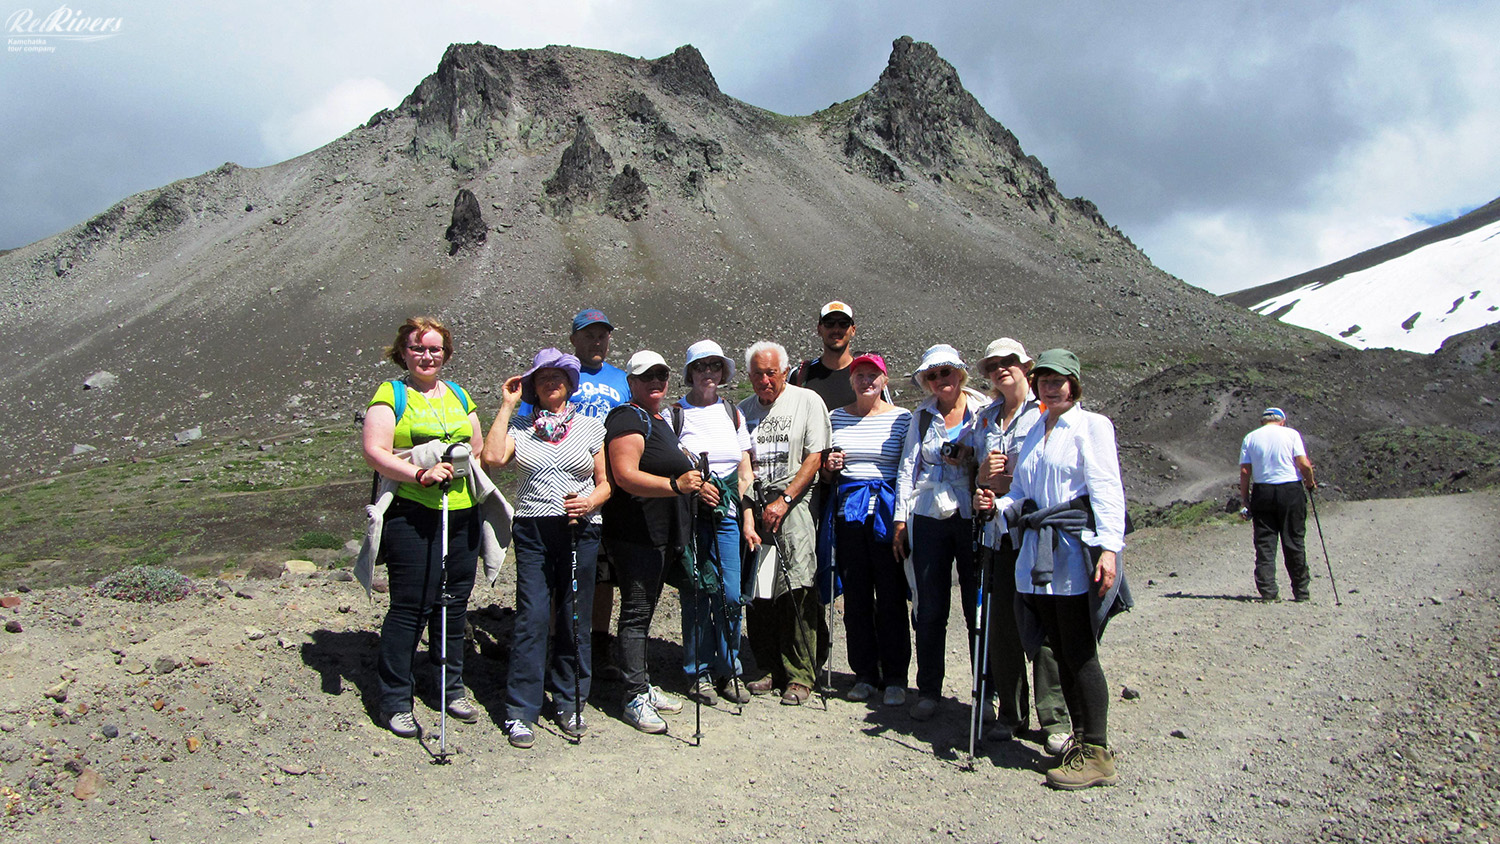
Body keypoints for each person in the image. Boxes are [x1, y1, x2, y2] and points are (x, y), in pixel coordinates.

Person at [993, 349, 1131, 790]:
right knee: (1055, 647)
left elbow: (1107, 488)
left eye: (1060, 379)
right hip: (1038, 554)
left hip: (1073, 552)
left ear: (1075, 383)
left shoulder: (1092, 426)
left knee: (1079, 649)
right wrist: (997, 508)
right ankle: (1083, 742)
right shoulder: (1036, 429)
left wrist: (1110, 549)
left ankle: (1096, 750)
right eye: (1045, 379)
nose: (1051, 386)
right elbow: (1023, 493)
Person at [361, 317, 486, 738]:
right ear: (403, 352)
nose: (426, 356)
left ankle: (448, 687)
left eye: (434, 349)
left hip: (462, 509)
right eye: (418, 348)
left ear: (446, 354)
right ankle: (395, 699)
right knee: (410, 607)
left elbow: (478, 450)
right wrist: (420, 472)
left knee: (453, 603)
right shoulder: (390, 394)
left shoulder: (459, 394)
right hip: (413, 511)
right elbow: (375, 452)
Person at [482, 348, 609, 748]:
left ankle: (571, 701)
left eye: (558, 376)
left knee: (575, 615)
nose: (551, 382)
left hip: (580, 528)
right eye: (542, 378)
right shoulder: (520, 426)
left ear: (571, 384)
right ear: (533, 387)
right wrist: (507, 405)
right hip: (533, 529)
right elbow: (491, 458)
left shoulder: (592, 426)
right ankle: (522, 710)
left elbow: (606, 482)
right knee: (533, 617)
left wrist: (590, 501)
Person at [969, 338, 1070, 752]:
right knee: (1001, 627)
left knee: (1044, 624)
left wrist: (1005, 478)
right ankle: (1012, 713)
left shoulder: (1046, 412)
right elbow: (976, 476)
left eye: (1008, 362)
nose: (1000, 370)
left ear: (1025, 366)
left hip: (1034, 533)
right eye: (993, 365)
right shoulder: (984, 418)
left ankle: (1055, 718)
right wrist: (980, 479)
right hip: (995, 533)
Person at [602, 350, 710, 733]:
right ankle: (633, 695)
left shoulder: (659, 420)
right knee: (635, 612)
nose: (656, 381)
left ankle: (642, 686)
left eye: (662, 375)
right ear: (630, 382)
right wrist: (674, 485)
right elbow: (625, 474)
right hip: (636, 534)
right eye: (647, 376)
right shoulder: (628, 417)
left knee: (643, 612)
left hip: (661, 534)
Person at [893, 344, 991, 721]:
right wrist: (901, 521)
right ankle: (929, 688)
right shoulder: (922, 418)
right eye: (932, 376)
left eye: (945, 373)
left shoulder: (984, 412)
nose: (939, 381)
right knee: (930, 606)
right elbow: (907, 470)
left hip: (972, 513)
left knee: (976, 607)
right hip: (930, 513)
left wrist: (970, 458)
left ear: (960, 374)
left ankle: (985, 691)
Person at [739, 341, 832, 706]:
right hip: (756, 502)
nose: (765, 380)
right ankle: (766, 666)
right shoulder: (743, 411)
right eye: (758, 374)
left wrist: (786, 500)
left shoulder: (807, 401)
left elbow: (814, 457)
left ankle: (800, 674)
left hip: (795, 500)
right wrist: (750, 507)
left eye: (771, 373)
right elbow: (742, 463)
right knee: (759, 588)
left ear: (784, 371)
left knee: (798, 585)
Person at [670, 340, 758, 706]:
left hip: (728, 516)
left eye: (715, 366)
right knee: (696, 592)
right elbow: (667, 463)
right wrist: (697, 486)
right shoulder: (674, 415)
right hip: (692, 516)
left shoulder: (731, 413)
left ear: (723, 373)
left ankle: (728, 666)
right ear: (690, 372)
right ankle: (699, 672)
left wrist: (747, 516)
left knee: (732, 593)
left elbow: (744, 468)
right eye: (701, 366)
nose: (709, 372)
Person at [821, 353, 912, 707]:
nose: (866, 381)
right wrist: (830, 467)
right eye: (859, 375)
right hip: (849, 515)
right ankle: (863, 674)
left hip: (887, 515)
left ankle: (895, 677)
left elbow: (908, 468)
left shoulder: (902, 419)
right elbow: (827, 475)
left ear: (885, 380)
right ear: (851, 380)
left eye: (873, 375)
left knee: (890, 595)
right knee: (856, 596)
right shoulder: (836, 417)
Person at [1238, 407, 1316, 603]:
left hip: (1262, 491)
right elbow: (1303, 464)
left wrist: (1245, 498)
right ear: (1282, 421)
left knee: (1265, 542)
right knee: (1294, 540)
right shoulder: (1291, 434)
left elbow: (1246, 471)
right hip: (1290, 490)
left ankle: (1268, 591)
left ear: (1263, 421)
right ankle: (1301, 591)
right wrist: (1310, 481)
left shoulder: (1250, 437)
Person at [788, 301, 859, 412]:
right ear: (819, 329)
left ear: (853, 330)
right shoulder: (800, 375)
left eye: (843, 323)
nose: (836, 330)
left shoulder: (868, 375)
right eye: (829, 323)